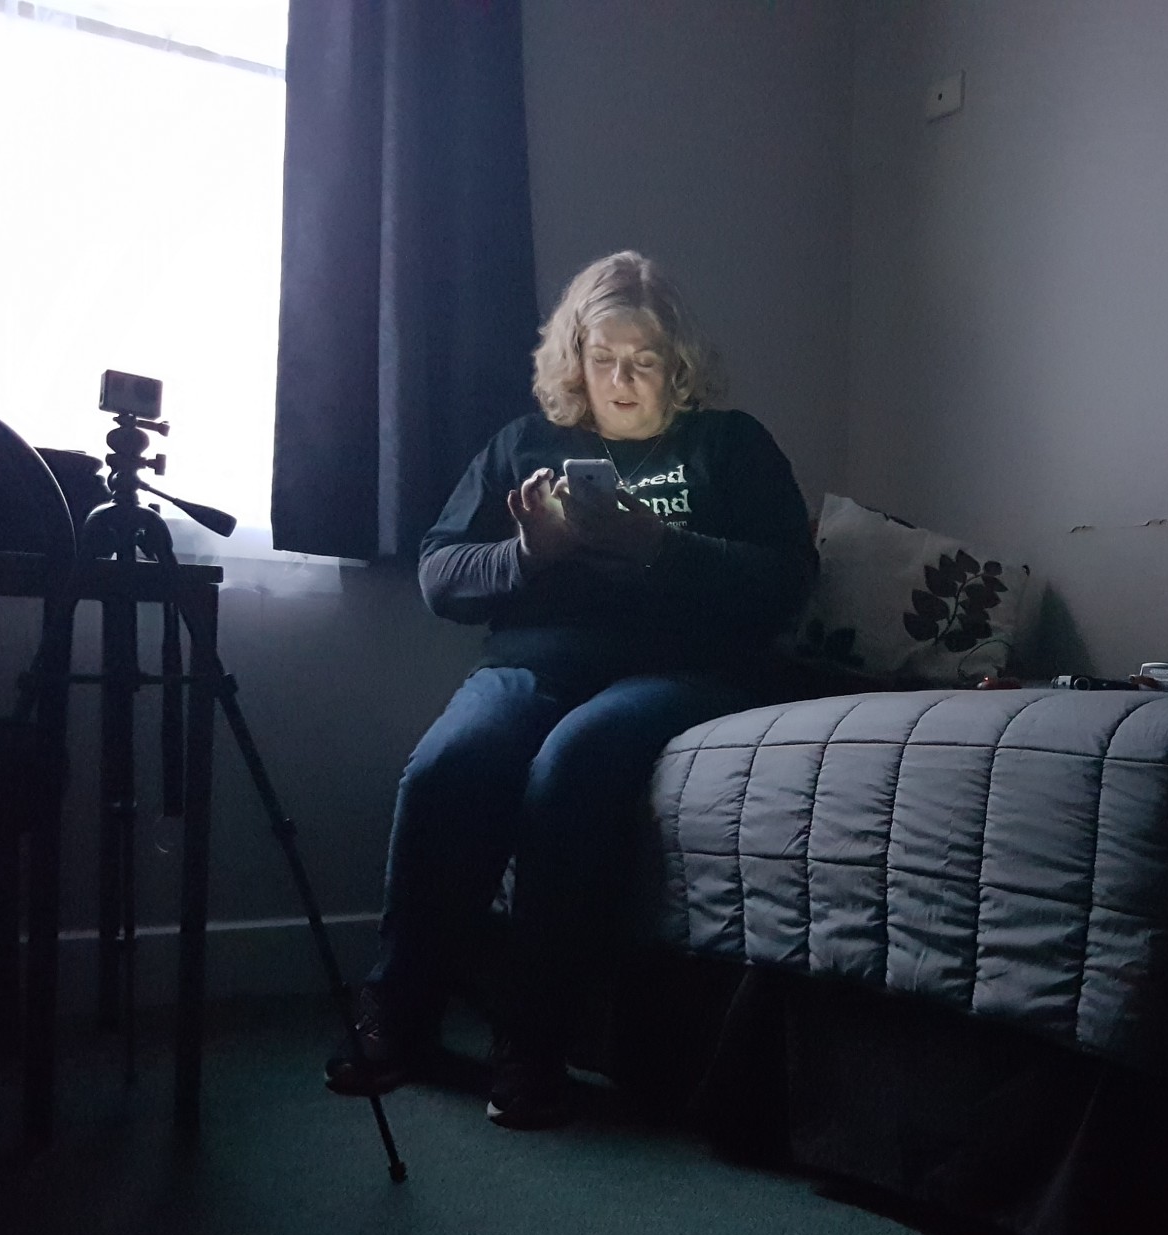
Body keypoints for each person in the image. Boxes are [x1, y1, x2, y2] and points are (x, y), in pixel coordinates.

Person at [327, 251, 814, 1128]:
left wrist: (660, 549)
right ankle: (397, 1012)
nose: (621, 381)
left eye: (644, 361)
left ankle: (532, 1041)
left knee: (574, 764)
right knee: (453, 762)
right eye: (603, 359)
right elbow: (440, 576)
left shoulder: (730, 445)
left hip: (680, 668)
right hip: (537, 660)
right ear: (575, 359)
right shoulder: (524, 444)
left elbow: (786, 581)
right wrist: (528, 555)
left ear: (677, 362)